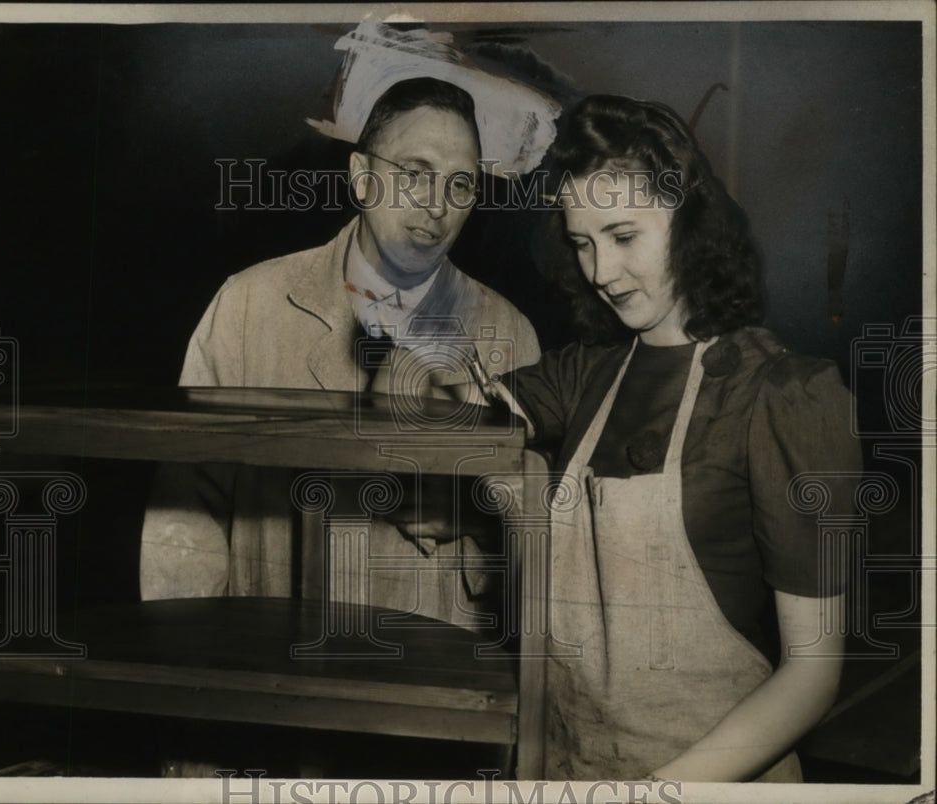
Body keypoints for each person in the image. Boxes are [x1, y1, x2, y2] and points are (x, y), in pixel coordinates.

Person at [499, 95, 862, 781]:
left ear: (689, 219)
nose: (600, 273)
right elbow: (456, 419)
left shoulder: (783, 396)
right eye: (582, 243)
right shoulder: (584, 374)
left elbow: (813, 675)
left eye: (622, 236)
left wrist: (659, 794)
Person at [140, 78, 541, 629]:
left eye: (460, 184)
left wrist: (476, 513)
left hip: (437, 661)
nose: (436, 206)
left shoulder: (509, 332)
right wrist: (186, 652)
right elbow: (185, 511)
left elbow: (544, 538)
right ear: (361, 175)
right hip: (270, 649)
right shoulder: (248, 305)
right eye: (415, 172)